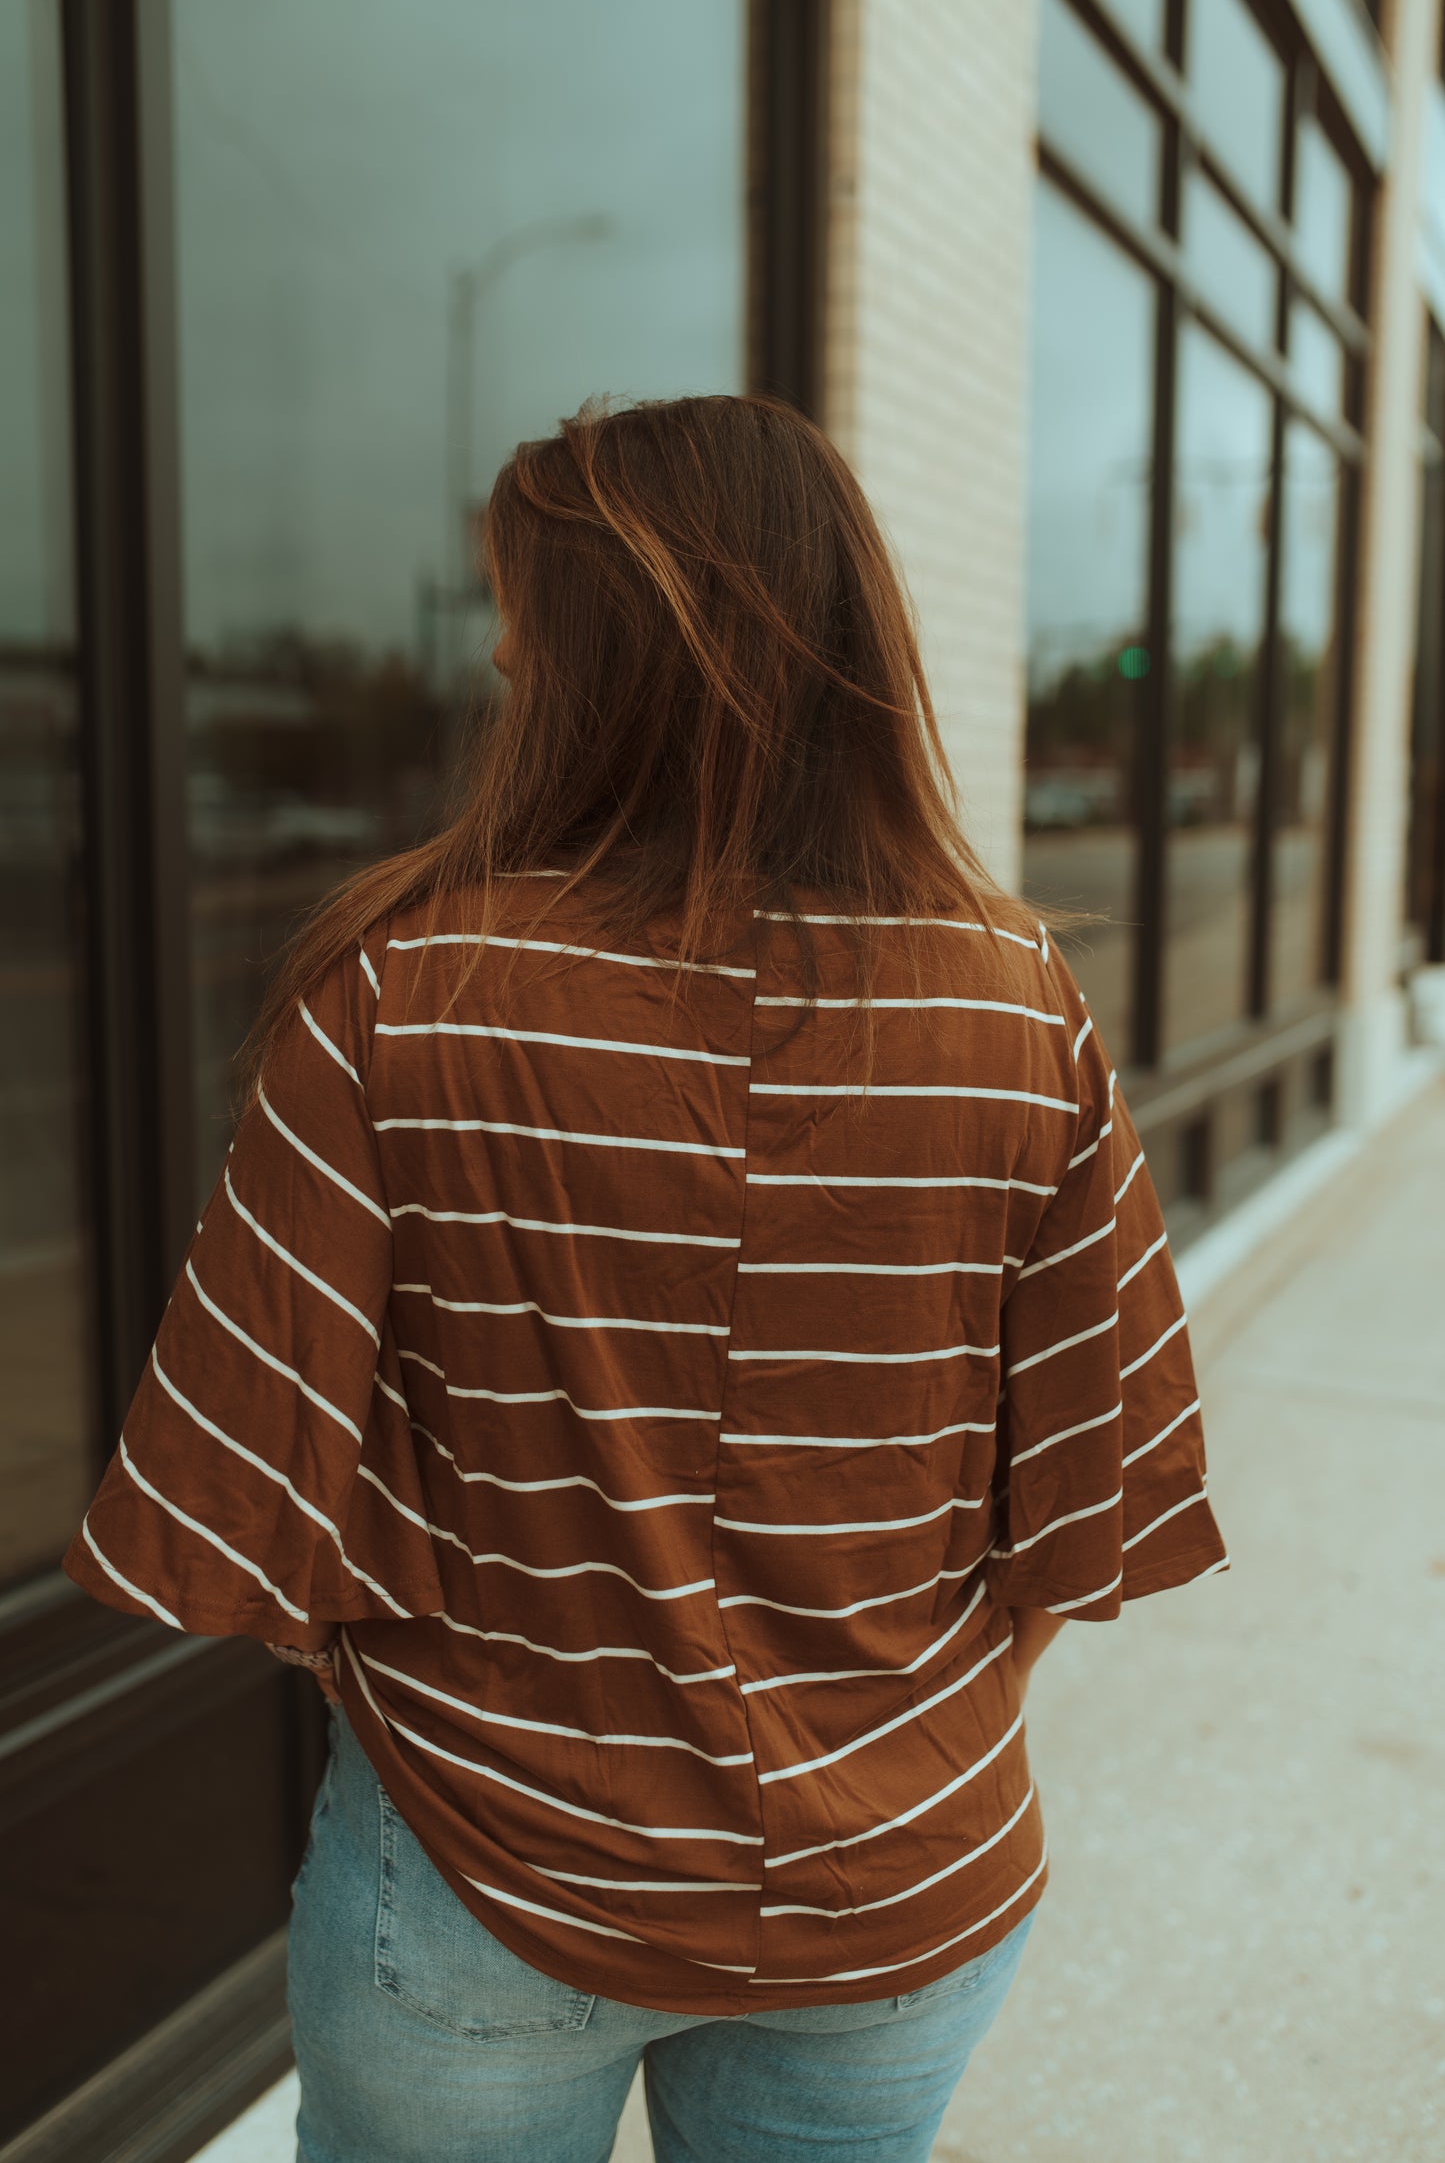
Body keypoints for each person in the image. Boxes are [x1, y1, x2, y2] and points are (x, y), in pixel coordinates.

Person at [64, 393, 1228, 2163]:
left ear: (592, 672)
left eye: (526, 649)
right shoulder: (1017, 1012)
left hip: (480, 1869)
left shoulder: (400, 999)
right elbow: (1088, 1496)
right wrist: (885, 1743)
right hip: (899, 1888)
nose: (506, 679)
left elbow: (245, 1497)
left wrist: (469, 1721)